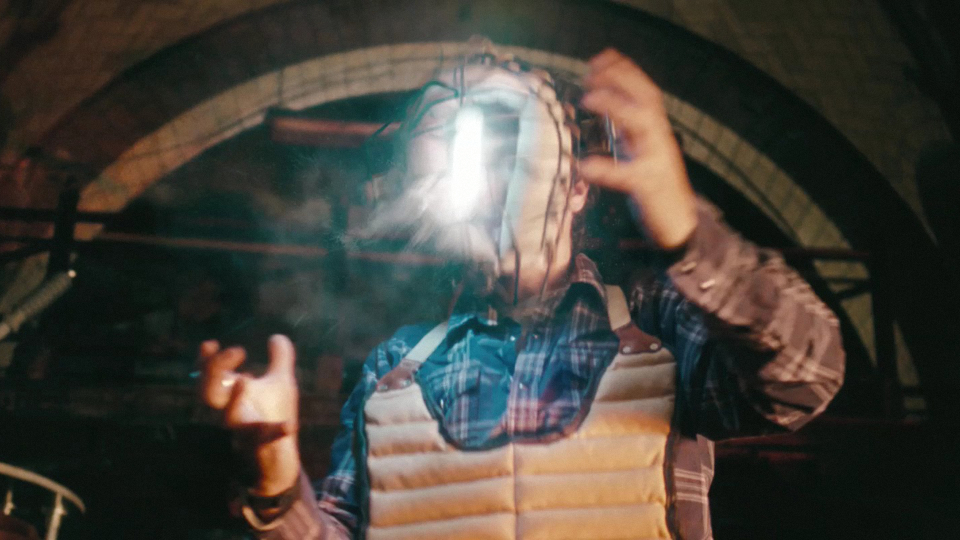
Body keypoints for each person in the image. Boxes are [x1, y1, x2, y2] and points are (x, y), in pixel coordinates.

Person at [199, 48, 845, 540]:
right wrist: (274, 473)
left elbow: (807, 379)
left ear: (578, 187)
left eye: (508, 136)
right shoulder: (395, 368)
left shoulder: (657, 323)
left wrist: (689, 232)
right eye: (448, 131)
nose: (486, 167)